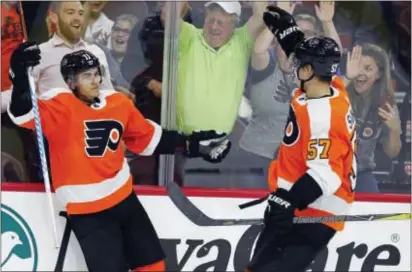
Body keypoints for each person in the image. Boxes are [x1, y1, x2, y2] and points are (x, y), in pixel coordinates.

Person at [7, 42, 231, 272]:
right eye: (87, 76)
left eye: (97, 74)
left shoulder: (117, 103)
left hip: (125, 200)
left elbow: (148, 138)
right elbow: (21, 113)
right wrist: (20, 76)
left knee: (154, 266)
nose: (95, 80)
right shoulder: (58, 106)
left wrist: (193, 144)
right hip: (89, 213)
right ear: (71, 82)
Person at [244, 6, 357, 272]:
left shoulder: (323, 116)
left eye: (300, 64)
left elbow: (326, 174)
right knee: (256, 267)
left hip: (316, 212)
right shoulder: (329, 86)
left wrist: (290, 201)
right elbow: (314, 57)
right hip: (295, 199)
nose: (294, 65)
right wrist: (288, 32)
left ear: (309, 71)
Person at [344, 43, 401, 193]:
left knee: (372, 212)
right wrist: (347, 77)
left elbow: (392, 152)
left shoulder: (385, 103)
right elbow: (324, 99)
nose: (360, 73)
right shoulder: (340, 89)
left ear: (379, 74)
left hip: (362, 173)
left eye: (368, 68)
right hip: (330, 170)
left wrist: (395, 130)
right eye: (357, 67)